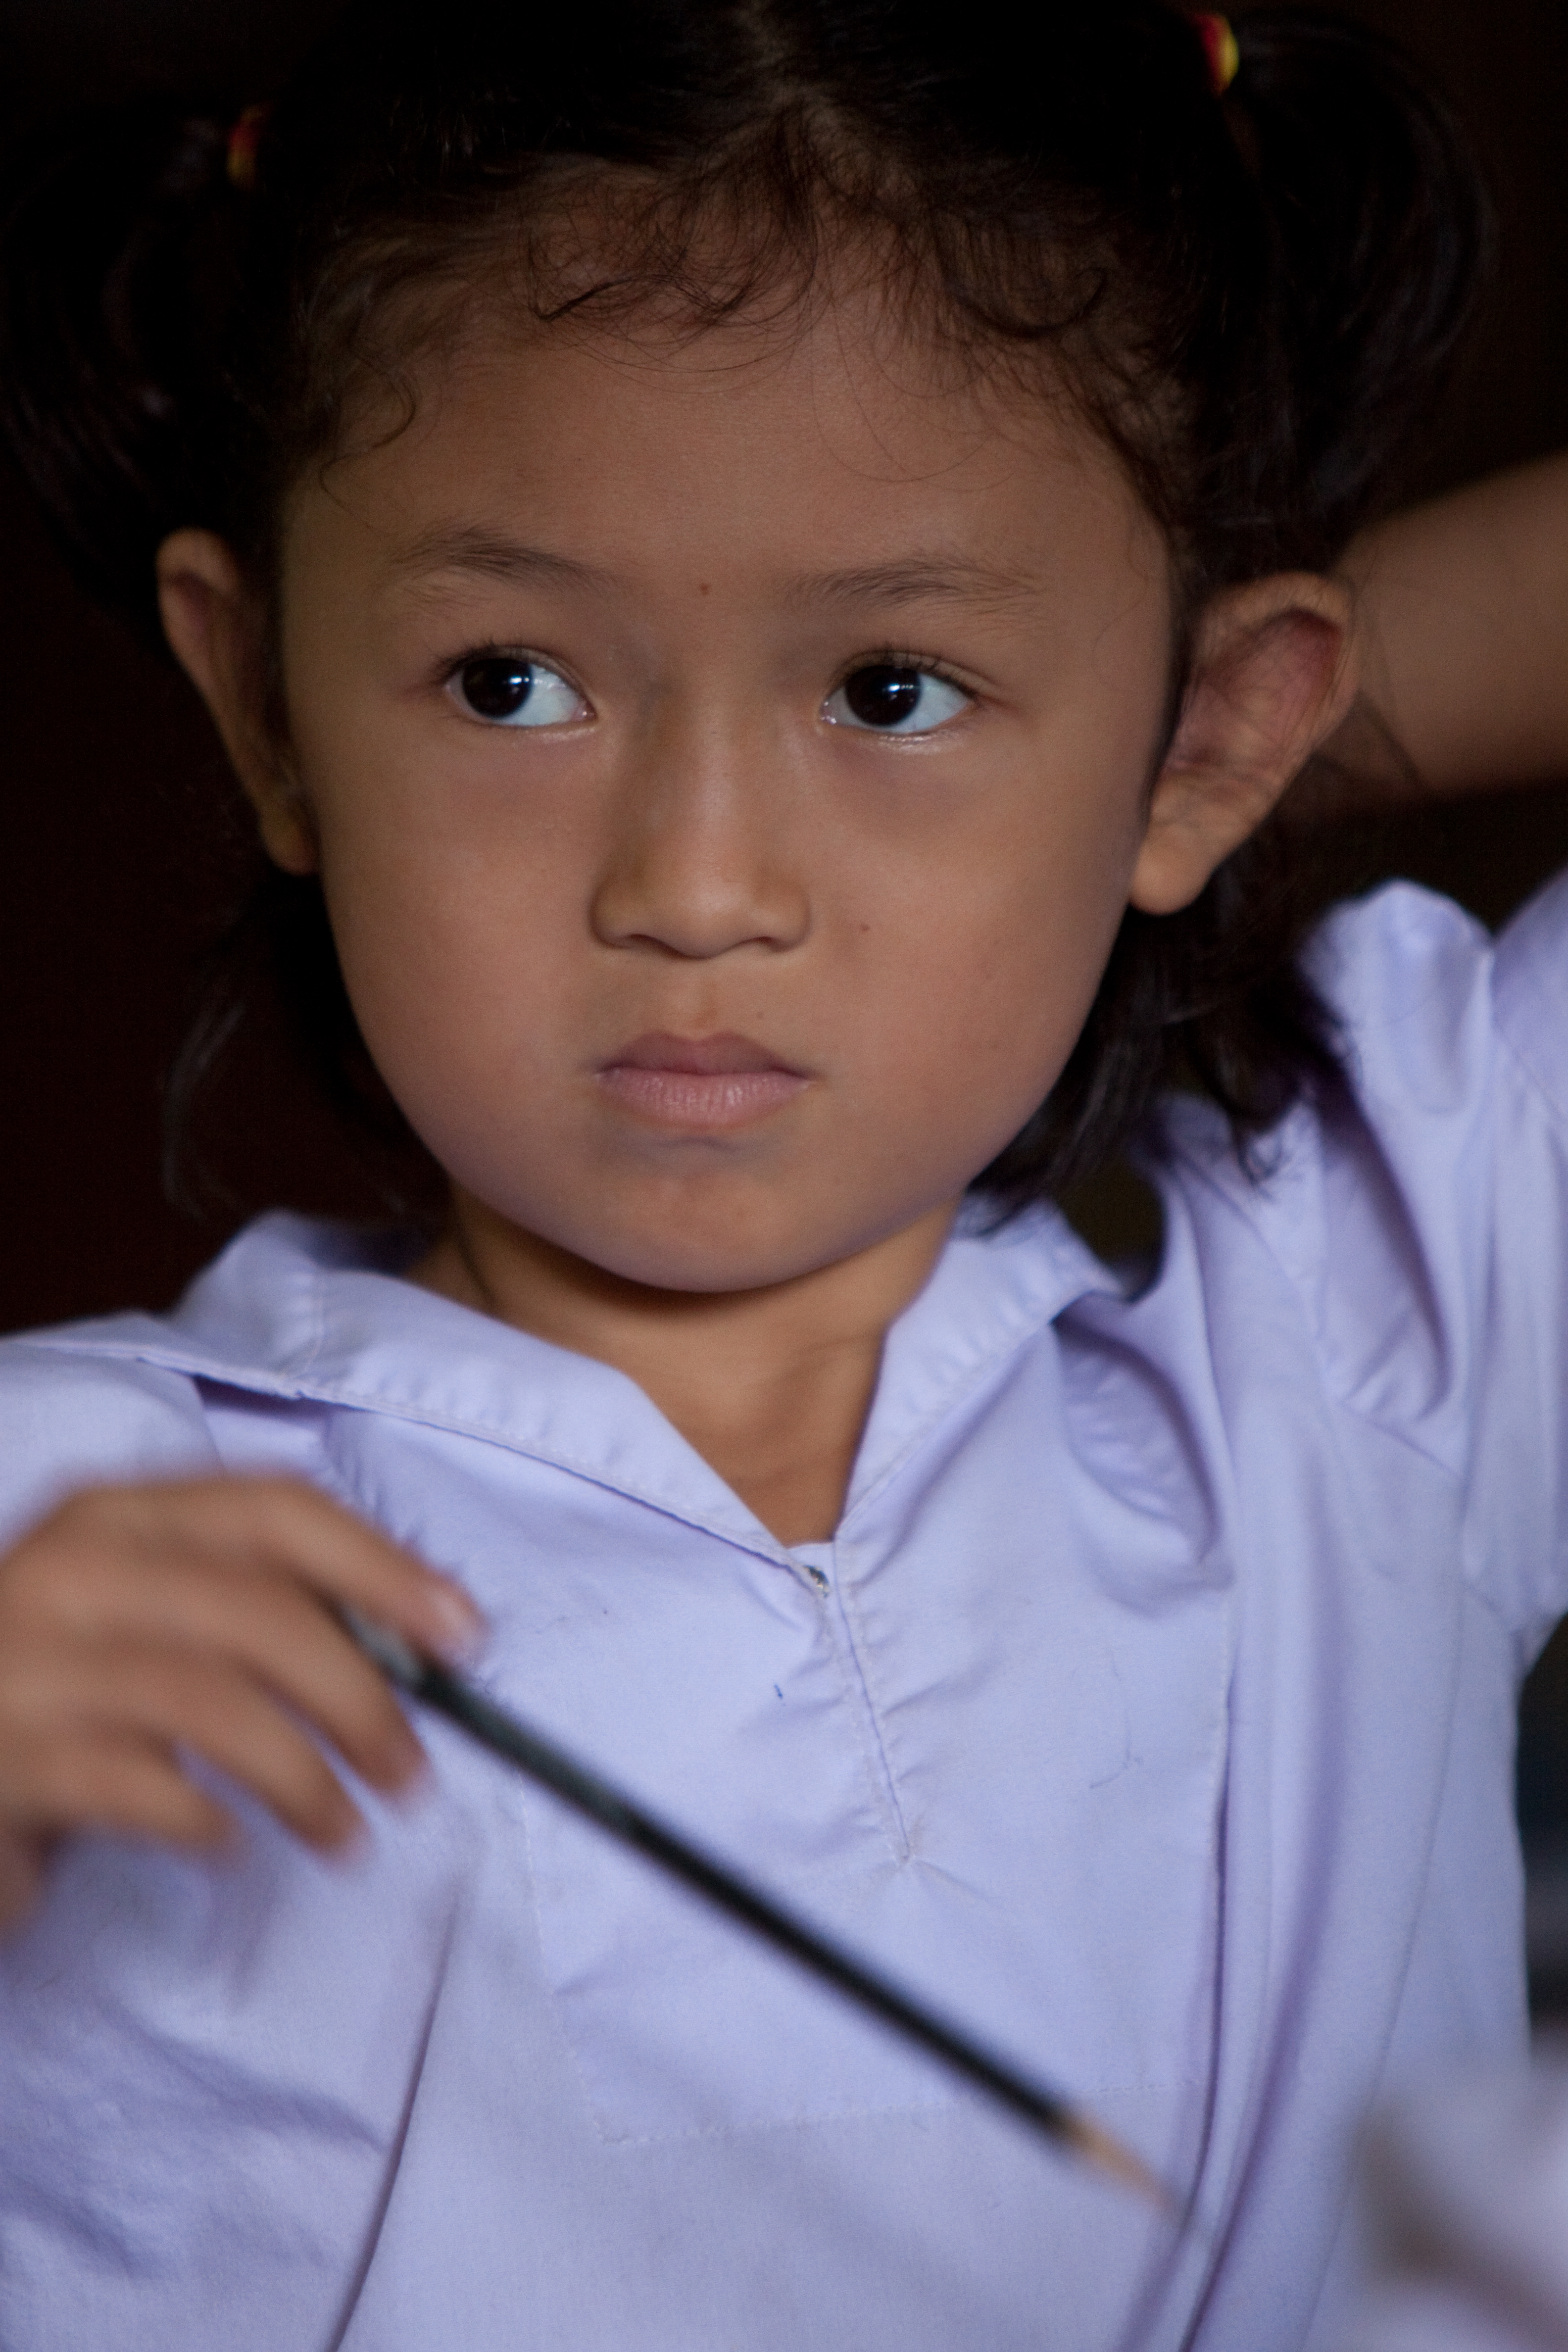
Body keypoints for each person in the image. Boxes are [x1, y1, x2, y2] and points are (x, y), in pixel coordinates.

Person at [0, 3, 1562, 2345]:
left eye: (894, 689)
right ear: (267, 707)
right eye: (512, 682)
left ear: (1225, 732)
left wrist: (1163, 773)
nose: (701, 884)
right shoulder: (62, 1544)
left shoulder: (1381, 1346)